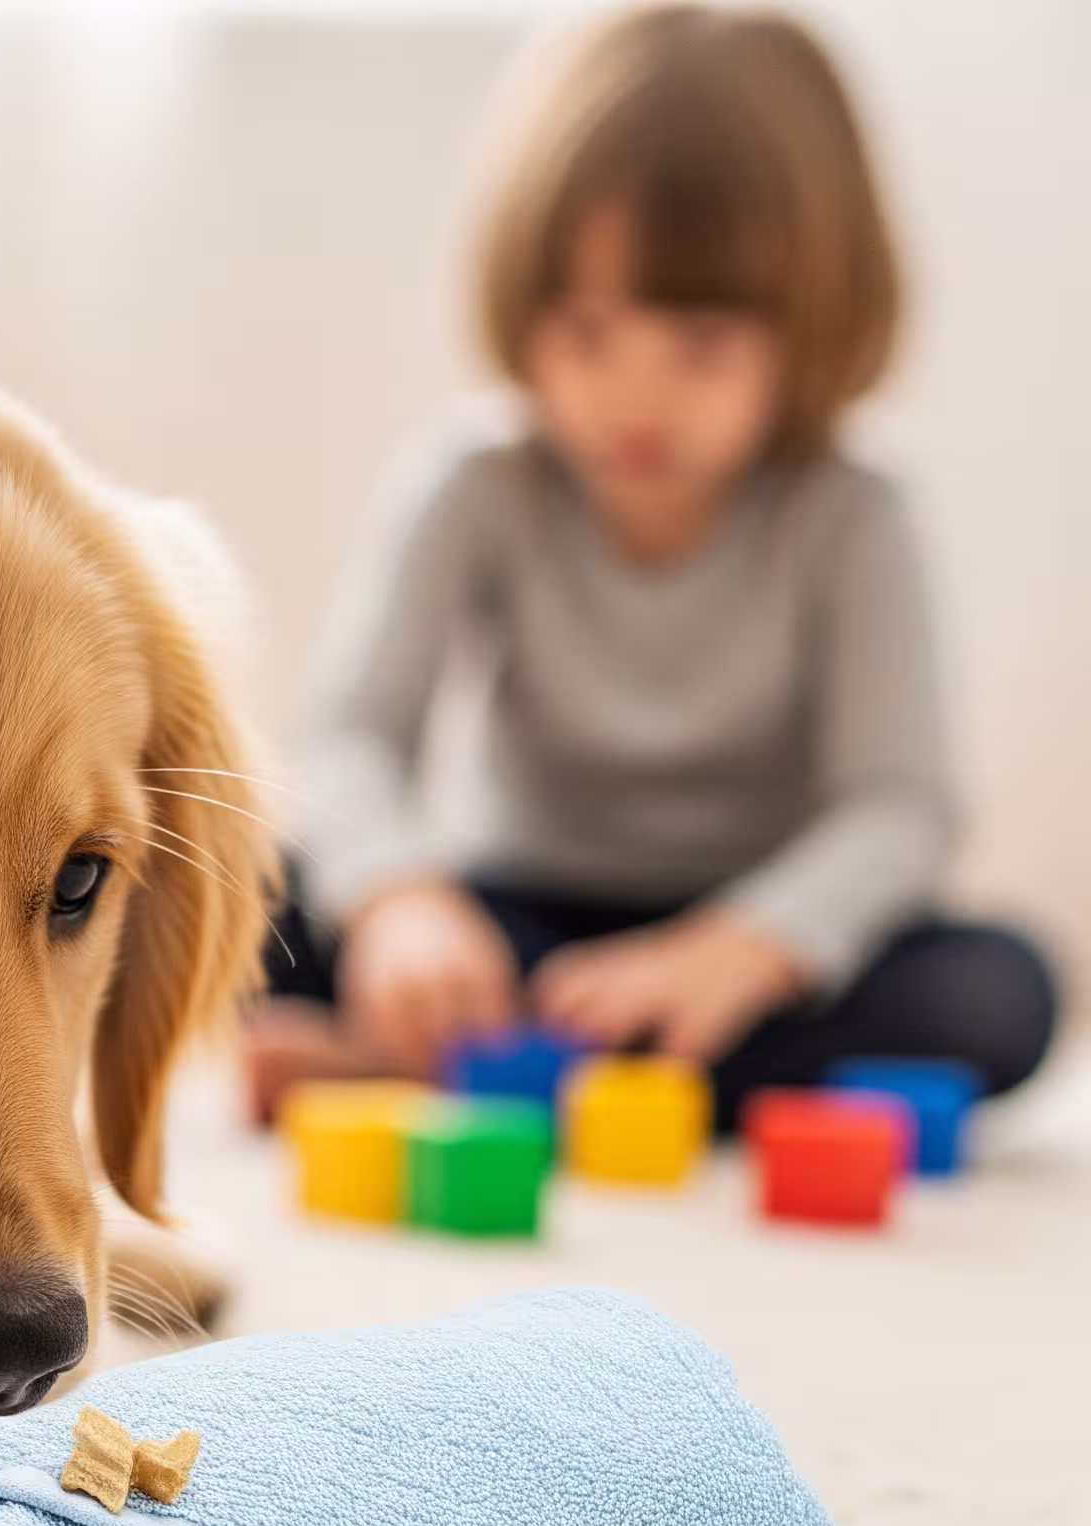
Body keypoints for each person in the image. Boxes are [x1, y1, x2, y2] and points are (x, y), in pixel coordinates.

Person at [247, 3, 1060, 1130]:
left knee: (998, 993)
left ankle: (459, 1073)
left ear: (810, 325)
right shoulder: (474, 483)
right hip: (516, 924)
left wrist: (741, 947)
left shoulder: (850, 513)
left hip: (743, 948)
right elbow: (345, 737)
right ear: (522, 310)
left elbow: (896, 807)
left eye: (699, 347)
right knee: (241, 888)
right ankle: (554, 1065)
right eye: (584, 333)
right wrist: (401, 902)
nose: (634, 396)